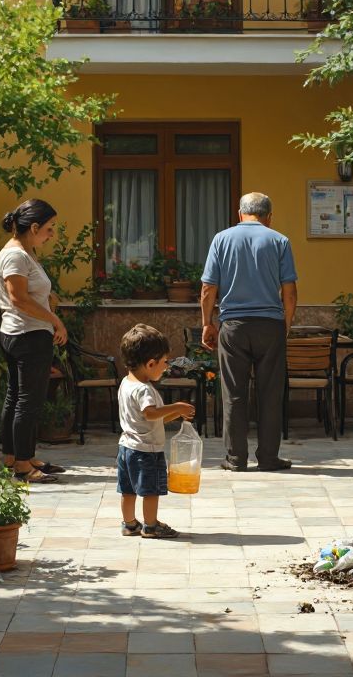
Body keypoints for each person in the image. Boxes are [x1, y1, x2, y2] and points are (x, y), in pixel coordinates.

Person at [199, 192, 297, 472]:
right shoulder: (279, 241)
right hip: (270, 325)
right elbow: (290, 292)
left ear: (240, 214)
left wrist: (207, 323)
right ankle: (268, 457)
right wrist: (285, 325)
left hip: (233, 327)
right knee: (270, 394)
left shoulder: (221, 239)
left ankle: (235, 458)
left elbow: (208, 288)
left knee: (234, 394)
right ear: (269, 217)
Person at [0, 199, 69, 484]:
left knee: (17, 397)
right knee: (28, 401)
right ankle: (23, 466)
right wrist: (55, 320)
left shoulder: (24, 253)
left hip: (21, 333)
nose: (52, 234)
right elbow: (18, 298)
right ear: (34, 227)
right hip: (28, 336)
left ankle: (15, 457)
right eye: (49, 228)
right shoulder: (16, 256)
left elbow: (27, 294)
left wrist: (48, 300)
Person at [116, 324, 195, 539]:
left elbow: (152, 419)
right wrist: (177, 406)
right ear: (151, 363)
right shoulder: (144, 390)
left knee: (128, 489)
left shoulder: (126, 382)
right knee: (150, 490)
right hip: (146, 451)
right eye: (165, 362)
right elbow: (150, 413)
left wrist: (176, 414)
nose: (166, 367)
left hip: (126, 448)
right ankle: (151, 526)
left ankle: (129, 524)